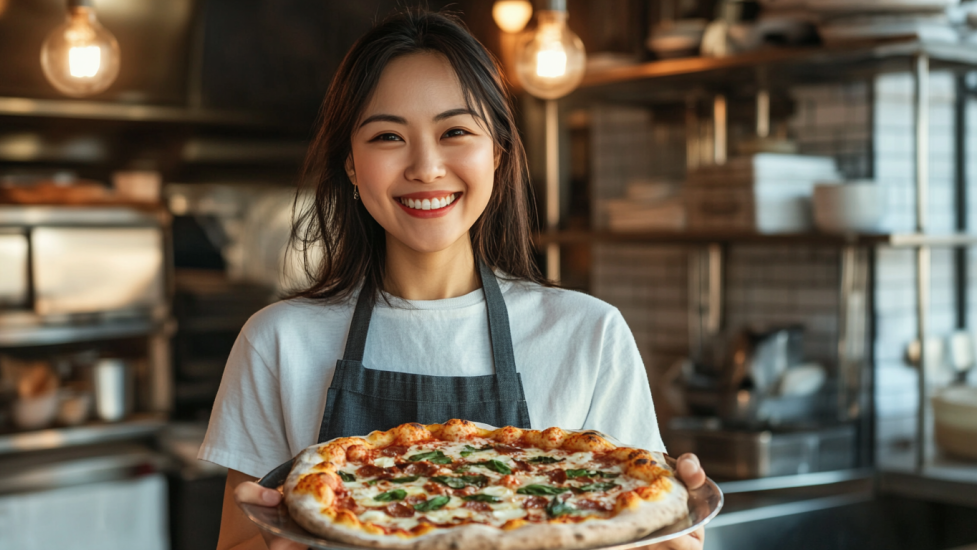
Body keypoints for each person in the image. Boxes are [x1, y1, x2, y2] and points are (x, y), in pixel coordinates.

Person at [201, 8, 706, 550]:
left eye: (455, 131)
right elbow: (236, 544)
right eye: (388, 136)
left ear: (499, 153)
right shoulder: (277, 341)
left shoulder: (589, 333)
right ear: (350, 164)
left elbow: (642, 526)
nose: (426, 167)